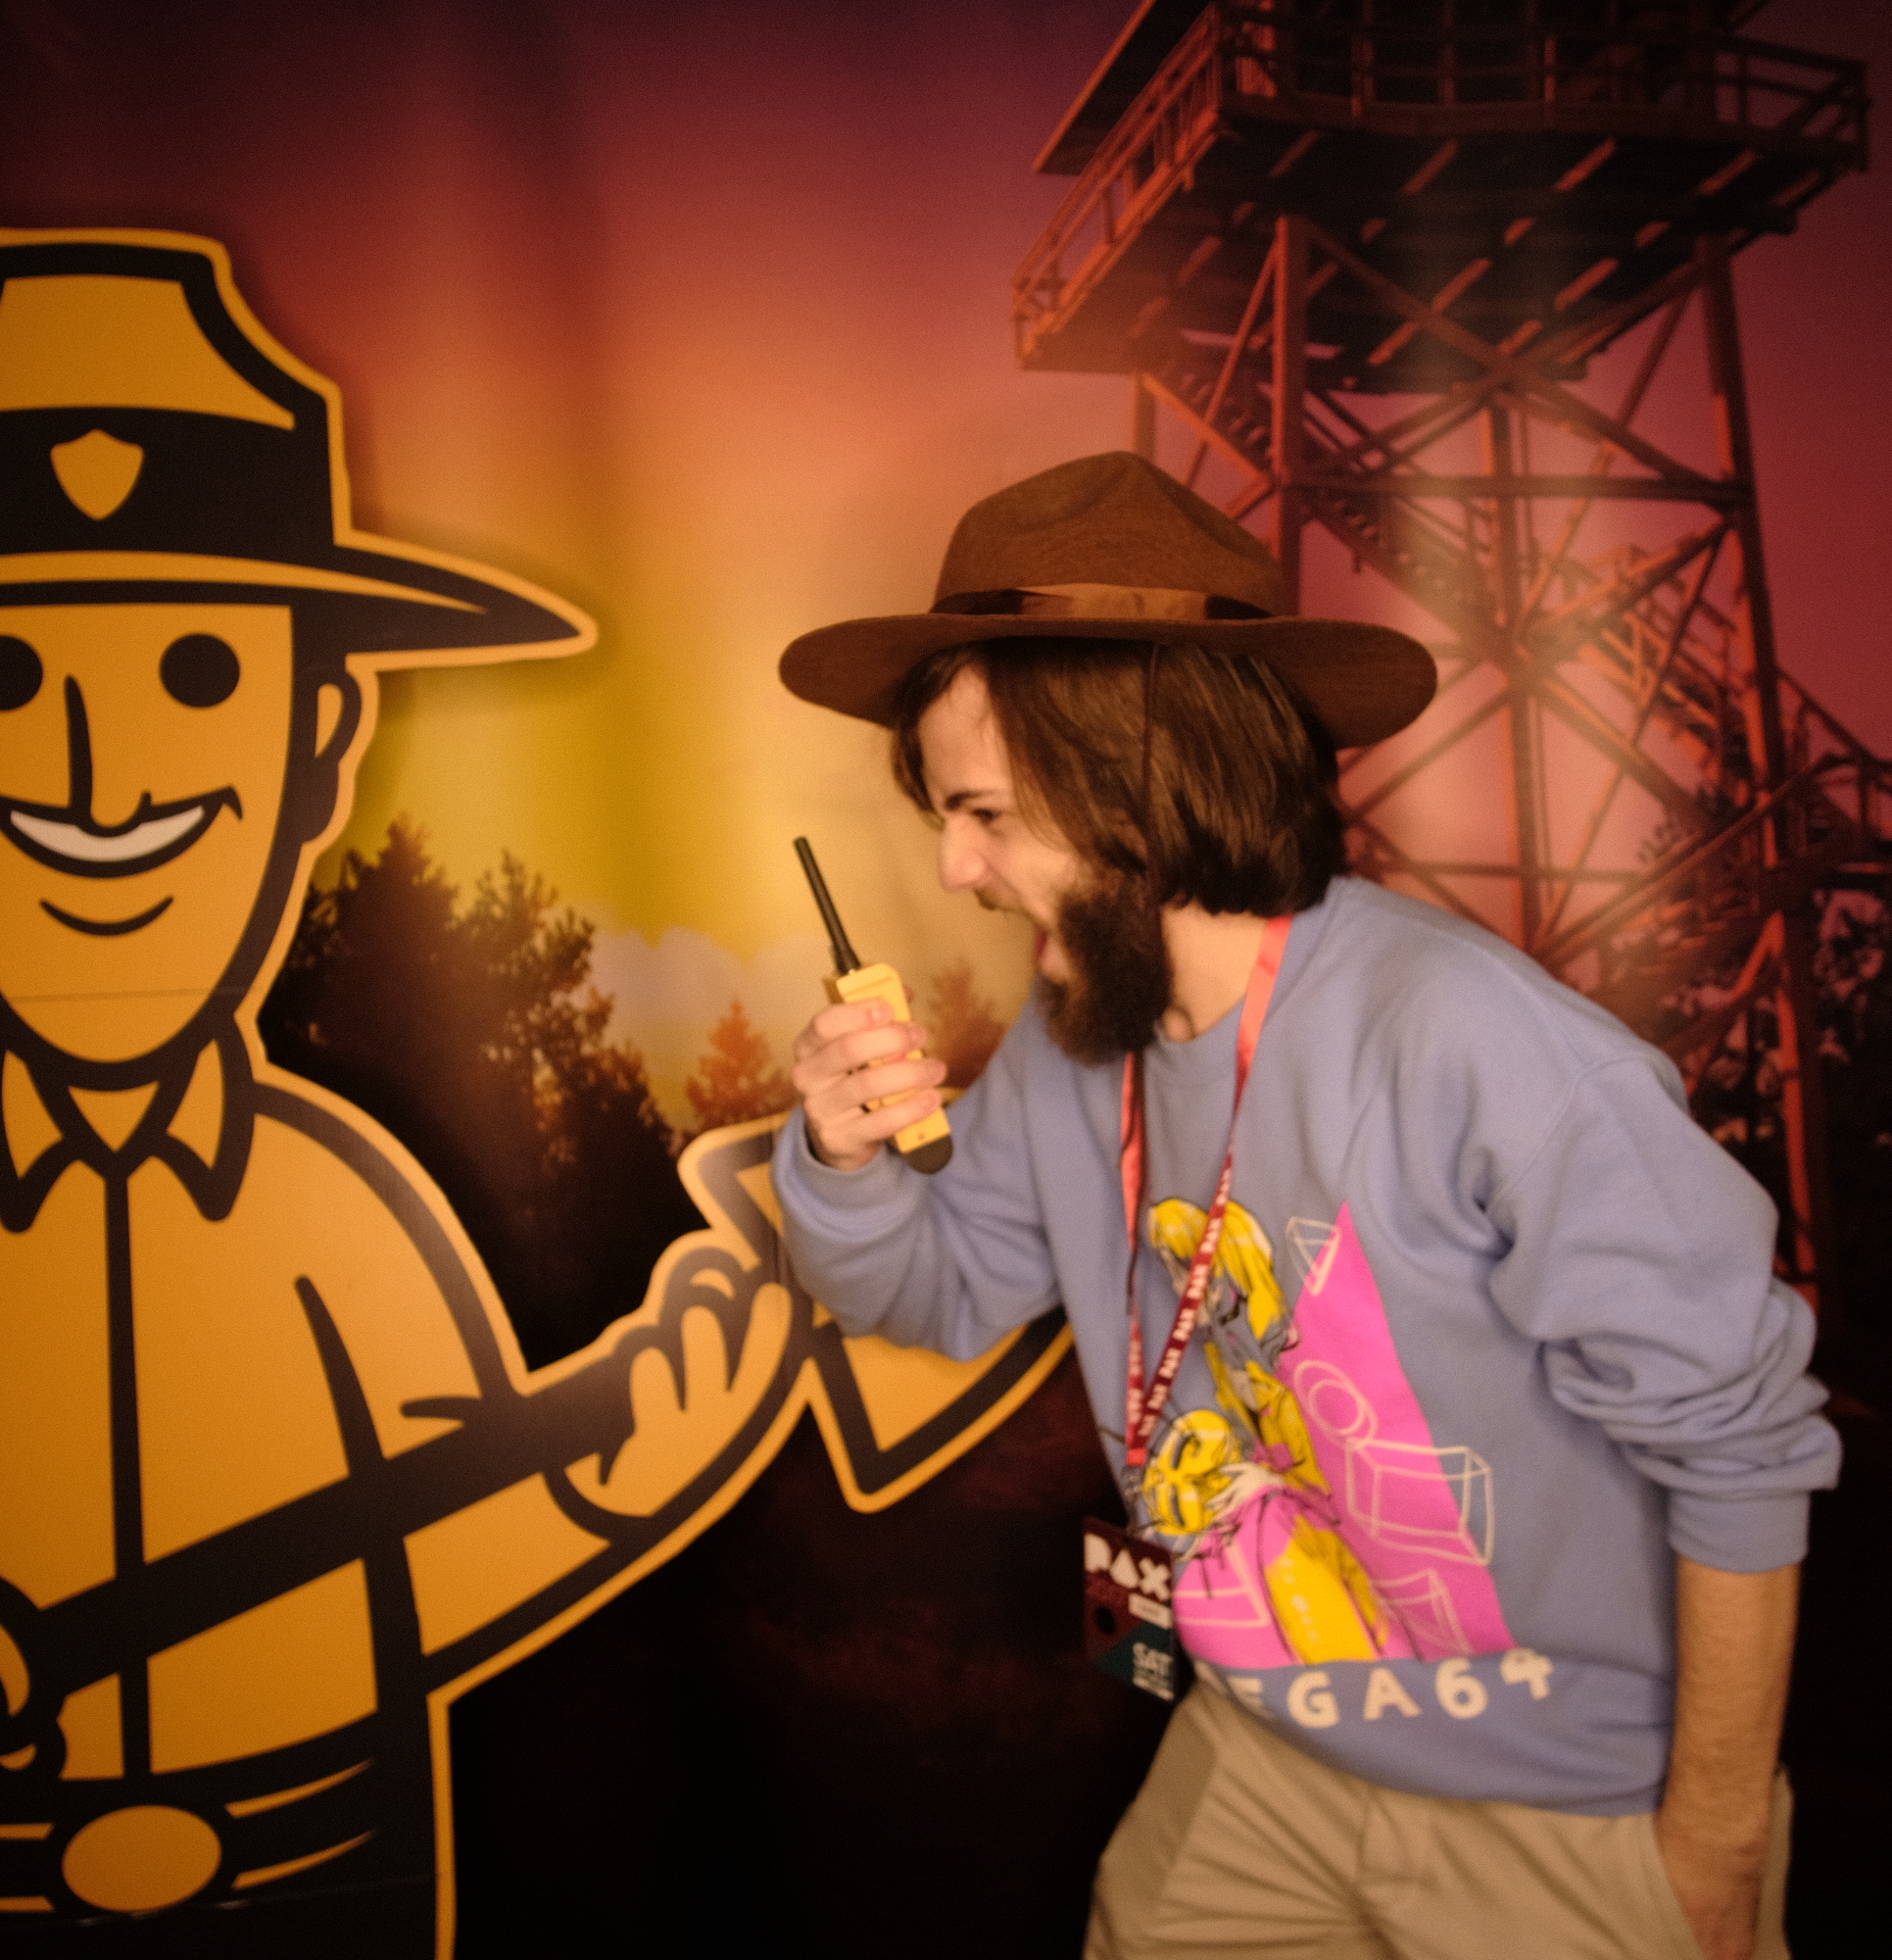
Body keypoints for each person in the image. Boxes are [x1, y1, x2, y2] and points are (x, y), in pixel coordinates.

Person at [771, 451, 1838, 1960]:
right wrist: (845, 1160)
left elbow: (1740, 1447)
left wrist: (1709, 1851)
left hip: (1569, 1803)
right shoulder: (1074, 1041)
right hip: (1262, 1746)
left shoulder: (1475, 1041)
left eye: (986, 813)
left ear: (1144, 782)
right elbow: (928, 1290)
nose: (953, 869)